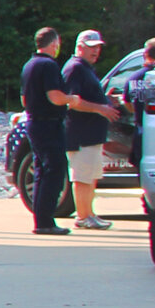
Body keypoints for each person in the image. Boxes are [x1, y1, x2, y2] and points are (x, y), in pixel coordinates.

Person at [19, 27, 73, 236]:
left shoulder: (29, 65)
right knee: (55, 170)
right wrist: (71, 99)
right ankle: (46, 221)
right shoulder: (49, 65)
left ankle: (41, 219)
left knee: (42, 170)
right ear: (54, 43)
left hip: (33, 122)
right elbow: (55, 96)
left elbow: (24, 99)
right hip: (49, 123)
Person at [63, 29, 116, 230]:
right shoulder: (74, 68)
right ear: (80, 47)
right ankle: (83, 216)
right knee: (82, 176)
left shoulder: (86, 68)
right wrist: (100, 107)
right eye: (92, 47)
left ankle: (90, 213)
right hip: (80, 133)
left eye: (98, 47)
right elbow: (71, 101)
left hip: (92, 134)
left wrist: (106, 100)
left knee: (91, 176)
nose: (96, 51)